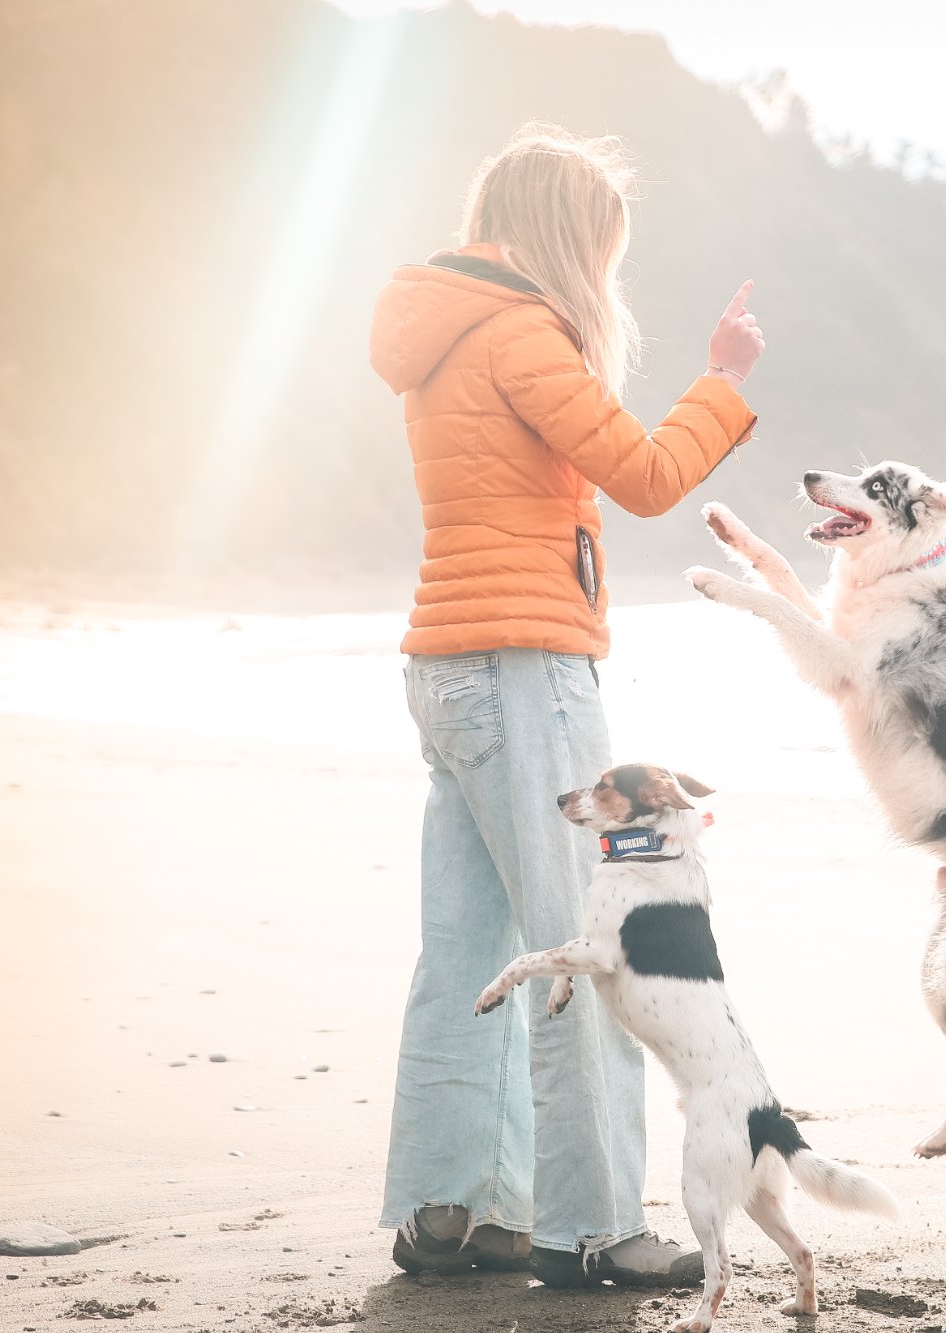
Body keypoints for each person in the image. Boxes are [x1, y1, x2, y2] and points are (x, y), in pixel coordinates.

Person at [366, 122, 764, 1288]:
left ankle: (459, 1209)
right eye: (603, 243)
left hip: (445, 668)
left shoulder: (440, 334)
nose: (606, 271)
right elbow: (644, 476)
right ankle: (589, 1227)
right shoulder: (521, 333)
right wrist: (723, 379)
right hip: (524, 672)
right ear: (563, 238)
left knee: (465, 952)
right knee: (593, 948)